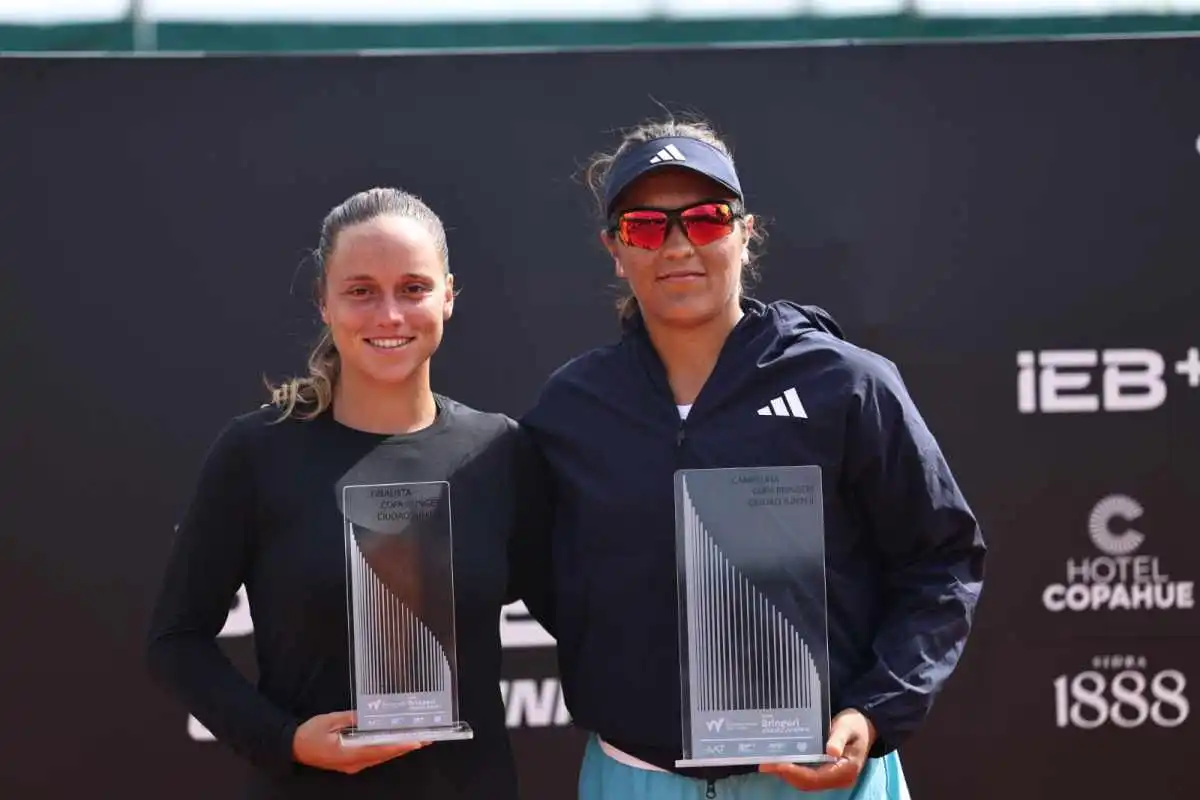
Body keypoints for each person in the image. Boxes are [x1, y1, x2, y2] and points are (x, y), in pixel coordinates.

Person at [519, 116, 987, 800]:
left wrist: (872, 710)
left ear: (746, 231)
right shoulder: (571, 408)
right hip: (636, 780)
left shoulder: (846, 384)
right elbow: (547, 574)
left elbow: (940, 560)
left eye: (705, 220)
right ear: (614, 249)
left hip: (817, 779)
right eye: (646, 226)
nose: (678, 244)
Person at [146, 187, 544, 799]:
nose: (389, 315)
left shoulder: (500, 451)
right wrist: (285, 740)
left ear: (448, 295)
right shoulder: (257, 453)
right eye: (361, 291)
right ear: (324, 304)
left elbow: (579, 609)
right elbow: (176, 642)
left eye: (413, 288)